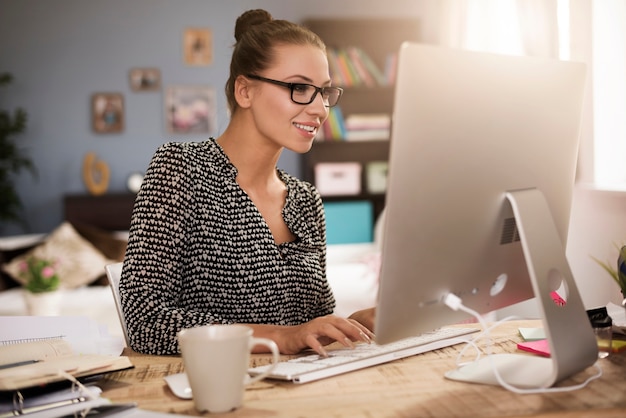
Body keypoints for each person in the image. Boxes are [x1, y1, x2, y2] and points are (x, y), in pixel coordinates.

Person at [119, 9, 375, 356]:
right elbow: (144, 321)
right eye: (300, 88)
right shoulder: (180, 169)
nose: (320, 109)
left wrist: (348, 324)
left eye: (324, 92)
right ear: (245, 91)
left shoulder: (305, 199)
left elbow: (308, 329)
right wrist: (279, 337)